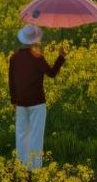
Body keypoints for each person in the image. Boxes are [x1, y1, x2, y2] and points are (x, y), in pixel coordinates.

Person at [8, 24, 66, 170]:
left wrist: (14, 100)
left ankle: (21, 167)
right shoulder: (38, 57)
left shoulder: (14, 58)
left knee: (21, 134)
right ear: (35, 41)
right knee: (36, 135)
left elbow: (11, 80)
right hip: (37, 102)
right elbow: (52, 73)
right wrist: (61, 57)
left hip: (20, 102)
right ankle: (35, 168)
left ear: (22, 40)